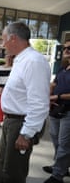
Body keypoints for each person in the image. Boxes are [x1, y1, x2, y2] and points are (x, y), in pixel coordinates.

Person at [0, 21, 51, 183]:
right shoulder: (22, 60)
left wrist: (26, 134)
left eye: (4, 39)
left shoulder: (33, 61)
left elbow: (39, 103)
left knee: (12, 173)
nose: (3, 44)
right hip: (12, 121)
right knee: (2, 168)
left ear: (13, 39)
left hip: (20, 124)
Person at [42, 39, 70, 183]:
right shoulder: (63, 67)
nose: (66, 51)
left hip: (68, 110)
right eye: (65, 48)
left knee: (64, 143)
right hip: (56, 107)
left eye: (69, 48)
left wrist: (57, 96)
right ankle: (61, 166)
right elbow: (54, 83)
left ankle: (58, 175)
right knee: (55, 138)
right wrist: (49, 94)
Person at [0, 55, 14, 129]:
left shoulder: (14, 69)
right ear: (5, 59)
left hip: (9, 92)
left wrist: (6, 89)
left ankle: (7, 122)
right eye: (7, 58)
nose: (9, 59)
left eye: (11, 58)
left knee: (8, 107)